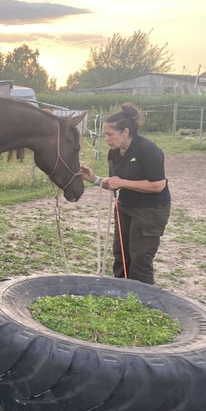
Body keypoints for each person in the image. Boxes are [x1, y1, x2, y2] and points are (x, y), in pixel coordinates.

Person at [80, 102, 171, 284]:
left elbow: (158, 185)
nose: (106, 139)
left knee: (140, 259)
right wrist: (95, 179)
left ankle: (142, 301)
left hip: (150, 210)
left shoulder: (148, 149)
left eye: (110, 134)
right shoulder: (114, 152)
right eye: (105, 134)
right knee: (121, 255)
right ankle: (121, 294)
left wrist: (122, 182)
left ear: (126, 132)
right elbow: (115, 184)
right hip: (125, 207)